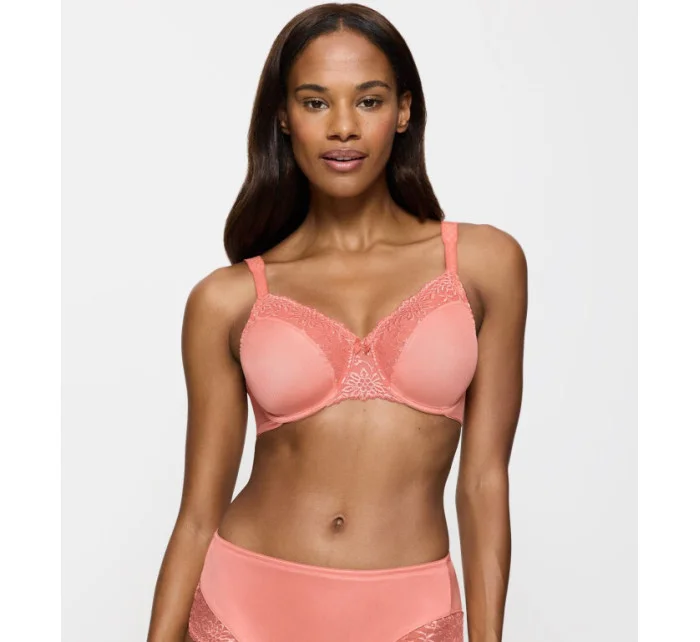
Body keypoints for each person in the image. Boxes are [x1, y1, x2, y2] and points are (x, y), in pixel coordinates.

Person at [147, 3, 527, 641]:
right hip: (244, 610)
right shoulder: (226, 299)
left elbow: (485, 483)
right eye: (316, 102)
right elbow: (196, 517)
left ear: (403, 111)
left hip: (408, 614)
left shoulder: (484, 264)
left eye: (369, 101)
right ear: (284, 117)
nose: (344, 126)